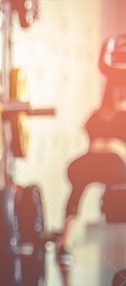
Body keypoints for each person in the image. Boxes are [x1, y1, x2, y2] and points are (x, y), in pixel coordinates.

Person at [53, 81, 126, 266]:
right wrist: (113, 144)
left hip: (106, 165)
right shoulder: (100, 115)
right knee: (77, 189)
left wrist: (110, 143)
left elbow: (100, 143)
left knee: (78, 189)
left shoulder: (105, 115)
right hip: (101, 164)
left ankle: (65, 245)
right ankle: (65, 245)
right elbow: (96, 144)